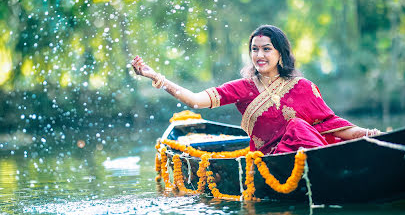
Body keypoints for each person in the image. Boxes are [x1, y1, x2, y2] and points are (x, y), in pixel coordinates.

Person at [131, 25, 381, 154]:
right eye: (254, 49)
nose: (259, 55)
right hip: (270, 163)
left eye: (266, 49)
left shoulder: (303, 87)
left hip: (313, 156)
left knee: (299, 127)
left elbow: (331, 125)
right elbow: (196, 101)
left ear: (280, 53)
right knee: (297, 126)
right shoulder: (243, 88)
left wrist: (368, 134)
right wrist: (157, 78)